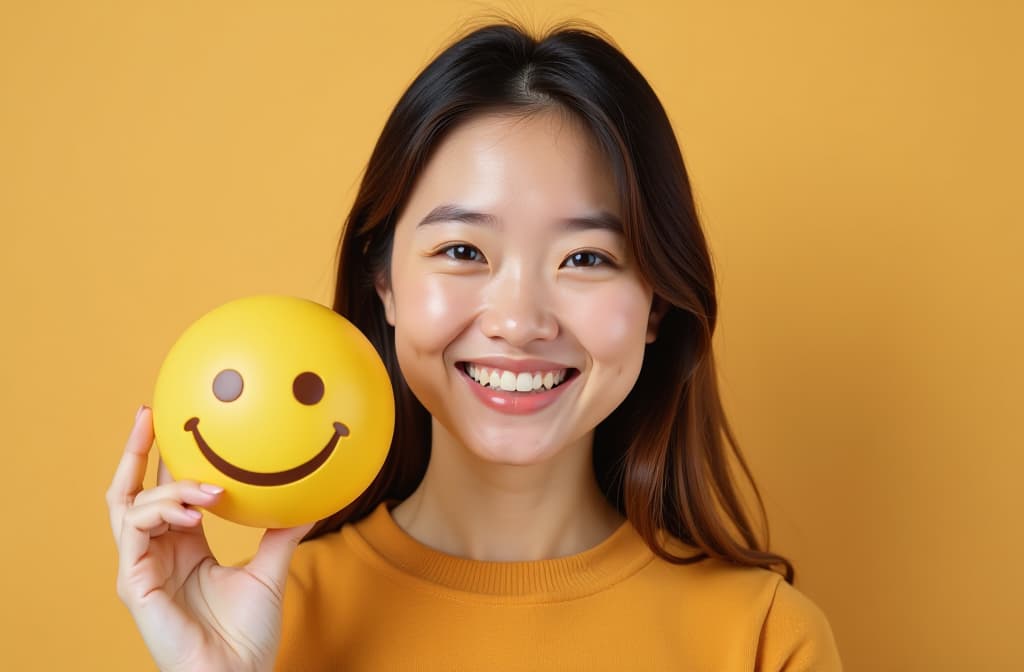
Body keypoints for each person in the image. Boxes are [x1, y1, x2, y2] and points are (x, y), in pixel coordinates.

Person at [107, 21, 842, 671]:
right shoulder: (263, 624)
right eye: (463, 250)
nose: (519, 321)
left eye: (586, 258)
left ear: (656, 304)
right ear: (384, 282)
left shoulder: (762, 639)